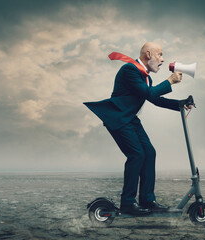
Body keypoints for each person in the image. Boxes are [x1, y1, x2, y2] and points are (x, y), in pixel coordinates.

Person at [84, 42, 189, 215]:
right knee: (137, 155)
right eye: (160, 55)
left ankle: (147, 200)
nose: (163, 59)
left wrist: (180, 104)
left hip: (130, 120)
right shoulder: (130, 70)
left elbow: (154, 98)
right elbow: (149, 94)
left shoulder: (146, 76)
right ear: (148, 54)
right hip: (119, 119)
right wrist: (170, 81)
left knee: (149, 153)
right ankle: (128, 203)